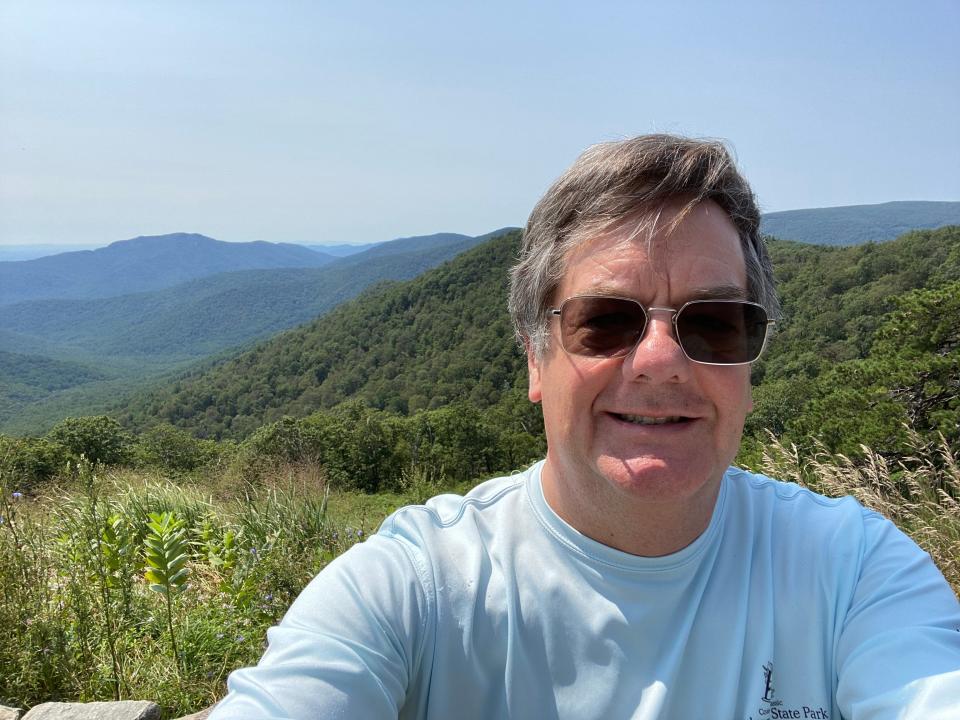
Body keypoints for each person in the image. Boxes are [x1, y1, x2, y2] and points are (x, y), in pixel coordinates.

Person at [209, 135, 960, 719]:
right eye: (604, 321)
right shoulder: (415, 589)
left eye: (716, 324)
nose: (662, 361)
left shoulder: (855, 573)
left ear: (749, 369)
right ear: (536, 359)